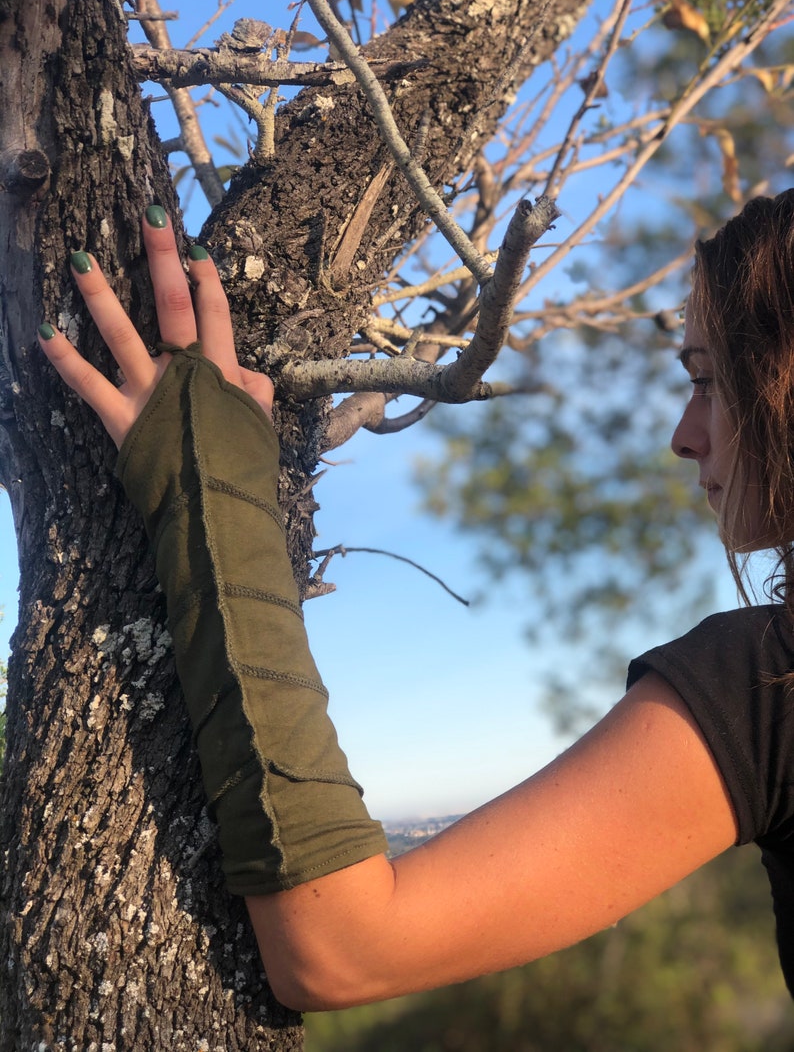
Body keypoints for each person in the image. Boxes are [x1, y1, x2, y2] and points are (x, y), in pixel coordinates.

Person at [37, 192, 794, 1011]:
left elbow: (344, 949)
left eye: (709, 380)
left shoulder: (772, 684)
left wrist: (206, 480)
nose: (684, 433)